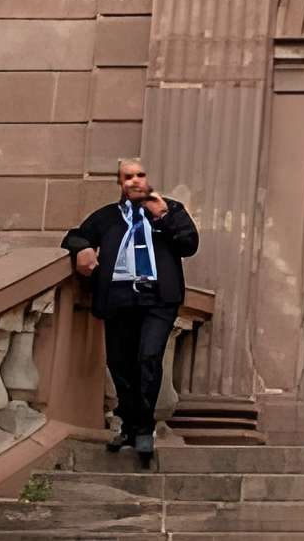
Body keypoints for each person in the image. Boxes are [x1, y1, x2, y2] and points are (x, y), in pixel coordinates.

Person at [60, 157, 197, 463]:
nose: (134, 182)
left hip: (158, 298)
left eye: (139, 176)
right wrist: (82, 248)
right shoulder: (108, 217)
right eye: (127, 177)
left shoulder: (169, 210)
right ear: (119, 183)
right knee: (121, 364)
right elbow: (74, 234)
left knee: (148, 357)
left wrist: (163, 217)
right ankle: (129, 424)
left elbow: (189, 244)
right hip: (119, 297)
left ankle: (144, 428)